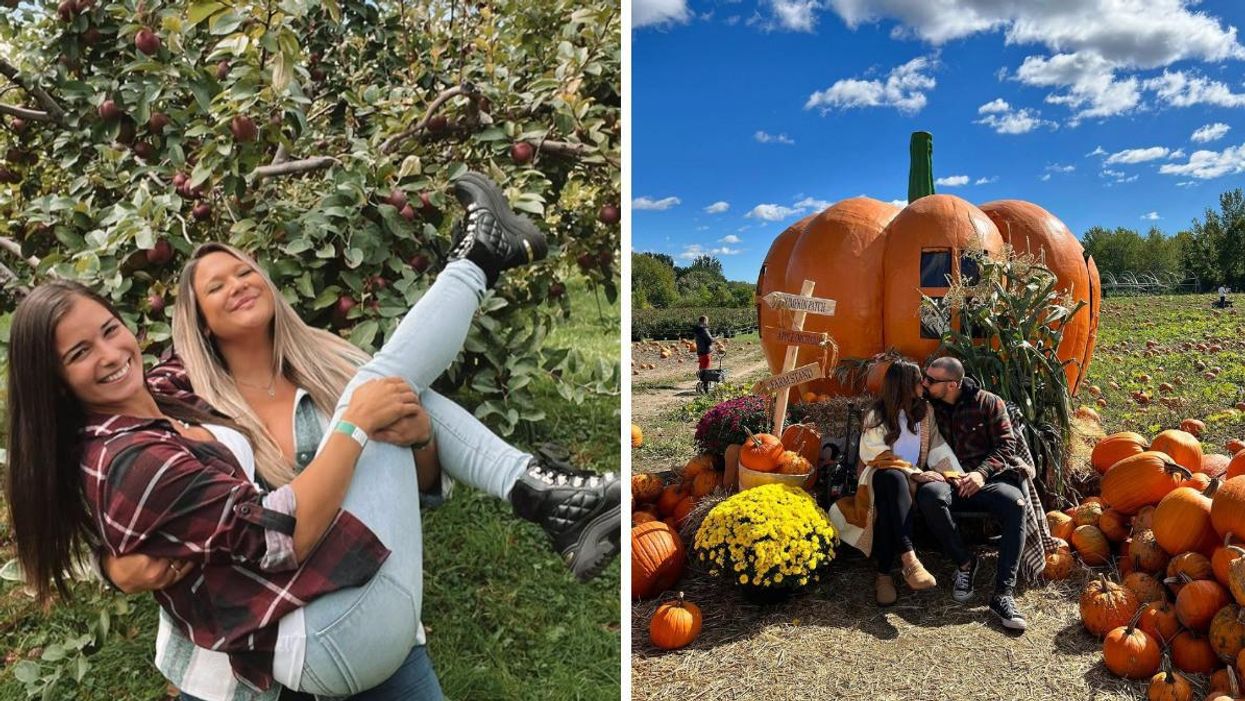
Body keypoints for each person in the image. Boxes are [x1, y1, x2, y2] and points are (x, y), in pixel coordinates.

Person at [5, 173, 621, 698]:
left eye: (111, 330)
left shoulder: (190, 387)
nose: (112, 353)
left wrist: (418, 436)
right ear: (197, 321)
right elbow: (127, 500)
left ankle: (543, 493)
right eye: (214, 287)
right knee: (374, 391)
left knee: (388, 388)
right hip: (273, 654)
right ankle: (481, 263)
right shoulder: (173, 408)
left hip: (348, 602)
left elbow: (420, 490)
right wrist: (113, 565)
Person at [915, 357, 1053, 632]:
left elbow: (1006, 446)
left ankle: (1003, 594)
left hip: (985, 481)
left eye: (930, 380)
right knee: (929, 496)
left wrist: (980, 474)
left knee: (1015, 503)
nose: (924, 383)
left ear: (952, 385)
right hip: (949, 480)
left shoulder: (989, 403)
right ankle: (965, 562)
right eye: (924, 377)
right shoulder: (928, 407)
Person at [827, 359, 951, 606]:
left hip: (908, 483)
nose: (924, 384)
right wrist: (914, 472)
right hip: (877, 478)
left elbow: (937, 445)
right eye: (919, 379)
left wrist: (954, 473)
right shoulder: (876, 414)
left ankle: (883, 576)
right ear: (904, 384)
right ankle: (910, 560)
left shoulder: (924, 412)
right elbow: (877, 456)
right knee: (891, 478)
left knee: (888, 503)